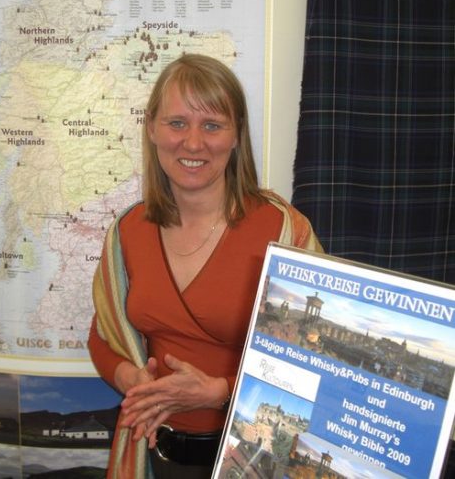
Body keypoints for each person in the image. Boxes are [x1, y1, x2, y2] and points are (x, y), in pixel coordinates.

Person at [88, 53, 322, 478]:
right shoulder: (128, 232)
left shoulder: (285, 231)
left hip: (255, 461)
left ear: (236, 137)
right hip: (154, 451)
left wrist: (219, 393)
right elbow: (103, 337)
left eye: (212, 125)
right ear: (152, 130)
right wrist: (133, 381)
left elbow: (319, 367)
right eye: (177, 123)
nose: (193, 143)